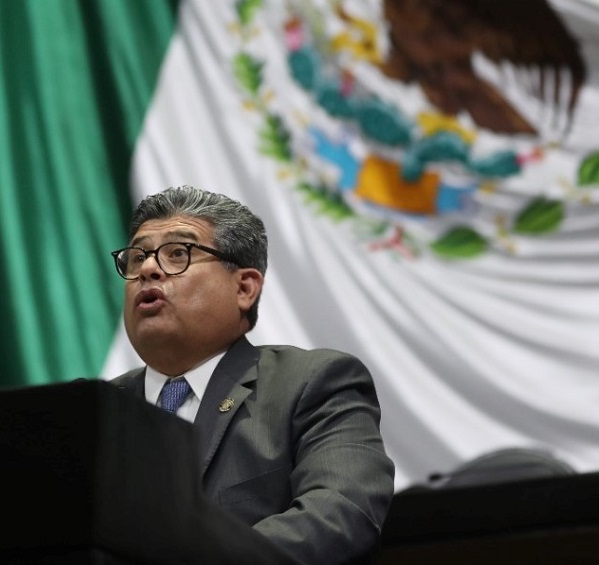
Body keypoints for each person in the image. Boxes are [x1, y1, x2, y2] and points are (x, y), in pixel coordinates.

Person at [109, 185, 395, 564]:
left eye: (178, 253)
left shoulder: (313, 383)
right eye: (137, 257)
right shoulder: (97, 413)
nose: (147, 269)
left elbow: (341, 514)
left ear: (244, 287)